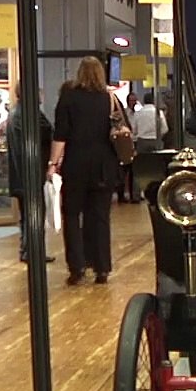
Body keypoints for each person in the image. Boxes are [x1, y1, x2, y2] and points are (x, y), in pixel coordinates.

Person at [48, 57, 122, 286]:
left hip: (76, 165)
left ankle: (77, 267)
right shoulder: (109, 98)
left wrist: (52, 164)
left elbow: (60, 135)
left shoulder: (69, 98)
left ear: (79, 73)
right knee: (99, 217)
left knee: (71, 215)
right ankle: (102, 268)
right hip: (103, 166)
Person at [6, 86, 55, 264]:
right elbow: (48, 131)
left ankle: (26, 249)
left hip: (19, 175)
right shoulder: (30, 114)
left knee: (26, 216)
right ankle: (33, 252)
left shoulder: (14, 113)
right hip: (30, 174)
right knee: (35, 215)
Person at [129, 91, 168, 202]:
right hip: (155, 141)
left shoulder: (138, 113)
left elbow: (134, 130)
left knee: (138, 168)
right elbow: (165, 129)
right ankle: (159, 194)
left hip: (142, 141)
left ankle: (136, 195)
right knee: (158, 168)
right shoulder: (158, 112)